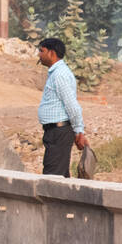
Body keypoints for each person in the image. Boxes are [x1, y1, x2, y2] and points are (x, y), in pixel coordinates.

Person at [37, 37, 88, 177]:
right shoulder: (56, 73)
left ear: (51, 53)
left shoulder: (60, 75)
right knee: (60, 175)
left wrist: (79, 131)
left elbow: (72, 105)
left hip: (59, 132)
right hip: (54, 131)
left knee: (52, 176)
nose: (39, 55)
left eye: (42, 51)